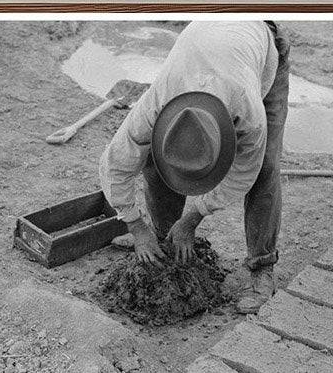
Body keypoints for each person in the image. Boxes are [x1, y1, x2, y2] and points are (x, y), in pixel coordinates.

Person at [99, 20, 290, 314]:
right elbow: (115, 164)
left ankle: (261, 268)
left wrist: (193, 218)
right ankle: (161, 237)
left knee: (265, 169)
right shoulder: (157, 103)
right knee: (155, 159)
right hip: (213, 38)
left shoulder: (248, 114)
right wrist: (137, 227)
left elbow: (244, 173)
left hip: (264, 50)